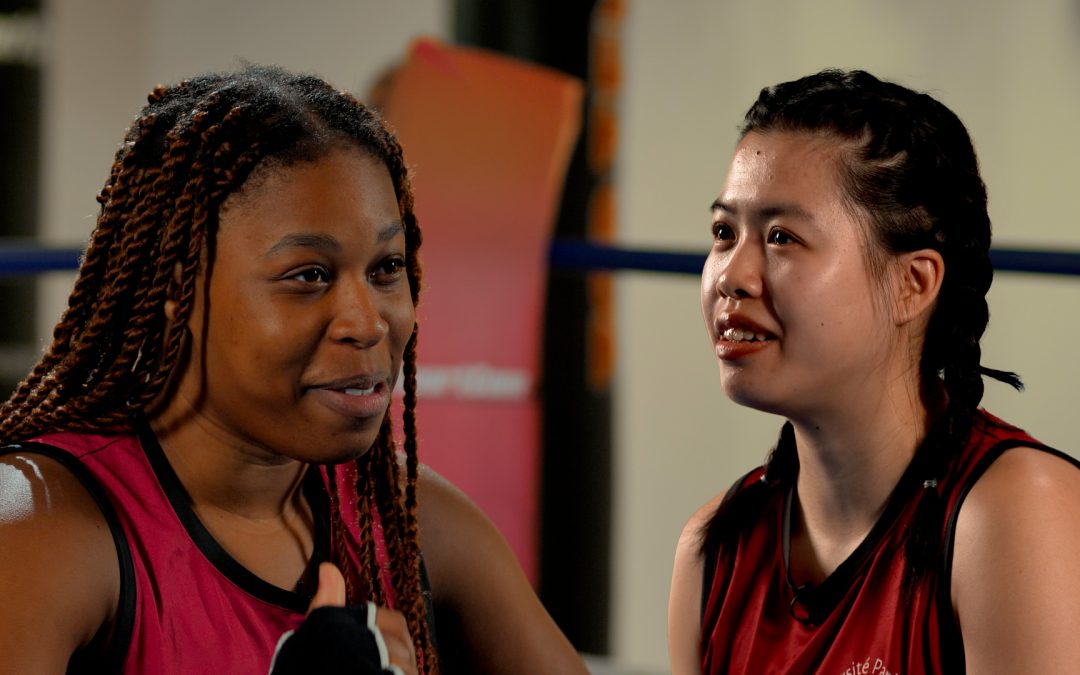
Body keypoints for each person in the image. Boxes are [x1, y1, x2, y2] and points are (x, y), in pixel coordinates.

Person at [0, 65, 589, 675]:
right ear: (180, 287)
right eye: (308, 275)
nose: (366, 322)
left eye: (386, 268)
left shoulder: (411, 520)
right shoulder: (41, 532)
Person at [668, 69, 1080, 674]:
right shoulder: (714, 548)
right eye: (724, 232)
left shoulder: (1012, 516)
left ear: (912, 284)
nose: (731, 275)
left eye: (781, 237)